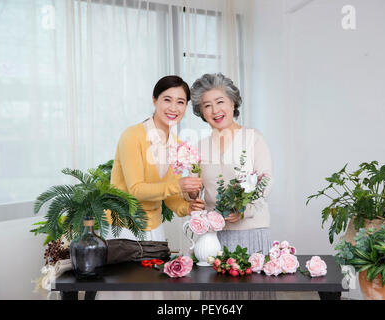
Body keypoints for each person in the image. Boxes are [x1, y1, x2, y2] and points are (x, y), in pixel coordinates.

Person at [97, 75, 204, 300]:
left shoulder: (177, 145)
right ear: (154, 100)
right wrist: (178, 184)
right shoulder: (132, 136)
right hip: (122, 228)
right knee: (125, 294)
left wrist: (189, 208)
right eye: (167, 99)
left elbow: (170, 197)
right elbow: (135, 190)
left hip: (154, 228)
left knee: (152, 294)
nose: (173, 107)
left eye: (180, 102)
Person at [189, 73, 276, 300]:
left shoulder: (253, 138)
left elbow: (265, 180)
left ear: (232, 103)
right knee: (219, 299)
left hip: (251, 232)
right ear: (201, 111)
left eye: (220, 102)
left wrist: (243, 209)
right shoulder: (200, 146)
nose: (215, 110)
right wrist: (191, 197)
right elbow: (195, 189)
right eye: (207, 105)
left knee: (250, 294)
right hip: (213, 238)